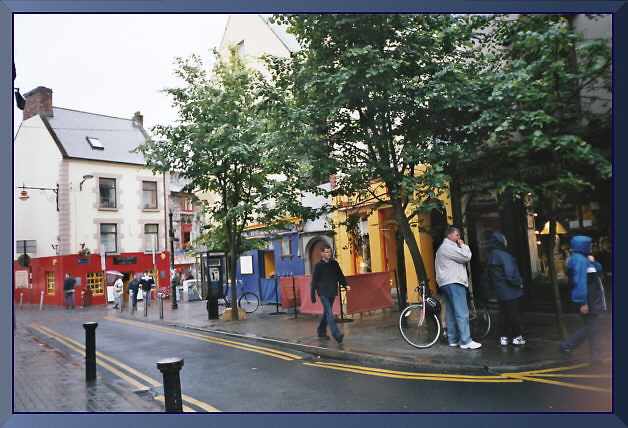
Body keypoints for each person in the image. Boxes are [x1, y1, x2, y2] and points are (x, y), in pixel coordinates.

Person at [559, 235, 607, 364]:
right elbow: (579, 282)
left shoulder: (584, 259)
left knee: (594, 327)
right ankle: (567, 346)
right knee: (592, 327)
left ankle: (596, 356)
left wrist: (593, 261)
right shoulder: (579, 260)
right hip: (588, 300)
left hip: (592, 300)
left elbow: (598, 270)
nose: (591, 247)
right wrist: (583, 302)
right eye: (589, 245)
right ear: (583, 245)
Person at [435, 227, 481, 349]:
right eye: (457, 235)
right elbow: (466, 257)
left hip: (446, 283)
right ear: (449, 236)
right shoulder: (448, 247)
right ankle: (466, 340)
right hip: (454, 282)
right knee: (462, 312)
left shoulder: (443, 248)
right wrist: (464, 246)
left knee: (450, 312)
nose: (459, 237)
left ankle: (453, 339)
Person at [486, 231, 525, 346]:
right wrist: (519, 283)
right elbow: (510, 274)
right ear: (500, 241)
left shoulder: (492, 255)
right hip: (509, 290)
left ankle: (503, 337)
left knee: (502, 314)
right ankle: (517, 336)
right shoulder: (504, 256)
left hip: (499, 290)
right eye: (504, 239)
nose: (506, 241)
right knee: (513, 314)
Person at [310, 244, 350, 343]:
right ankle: (336, 334)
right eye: (327, 252)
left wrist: (345, 285)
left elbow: (340, 275)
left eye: (330, 252)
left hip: (332, 291)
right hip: (322, 292)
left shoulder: (334, 264)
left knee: (327, 313)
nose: (329, 254)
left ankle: (321, 330)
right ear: (322, 253)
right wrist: (313, 295)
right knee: (329, 313)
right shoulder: (318, 266)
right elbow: (314, 281)